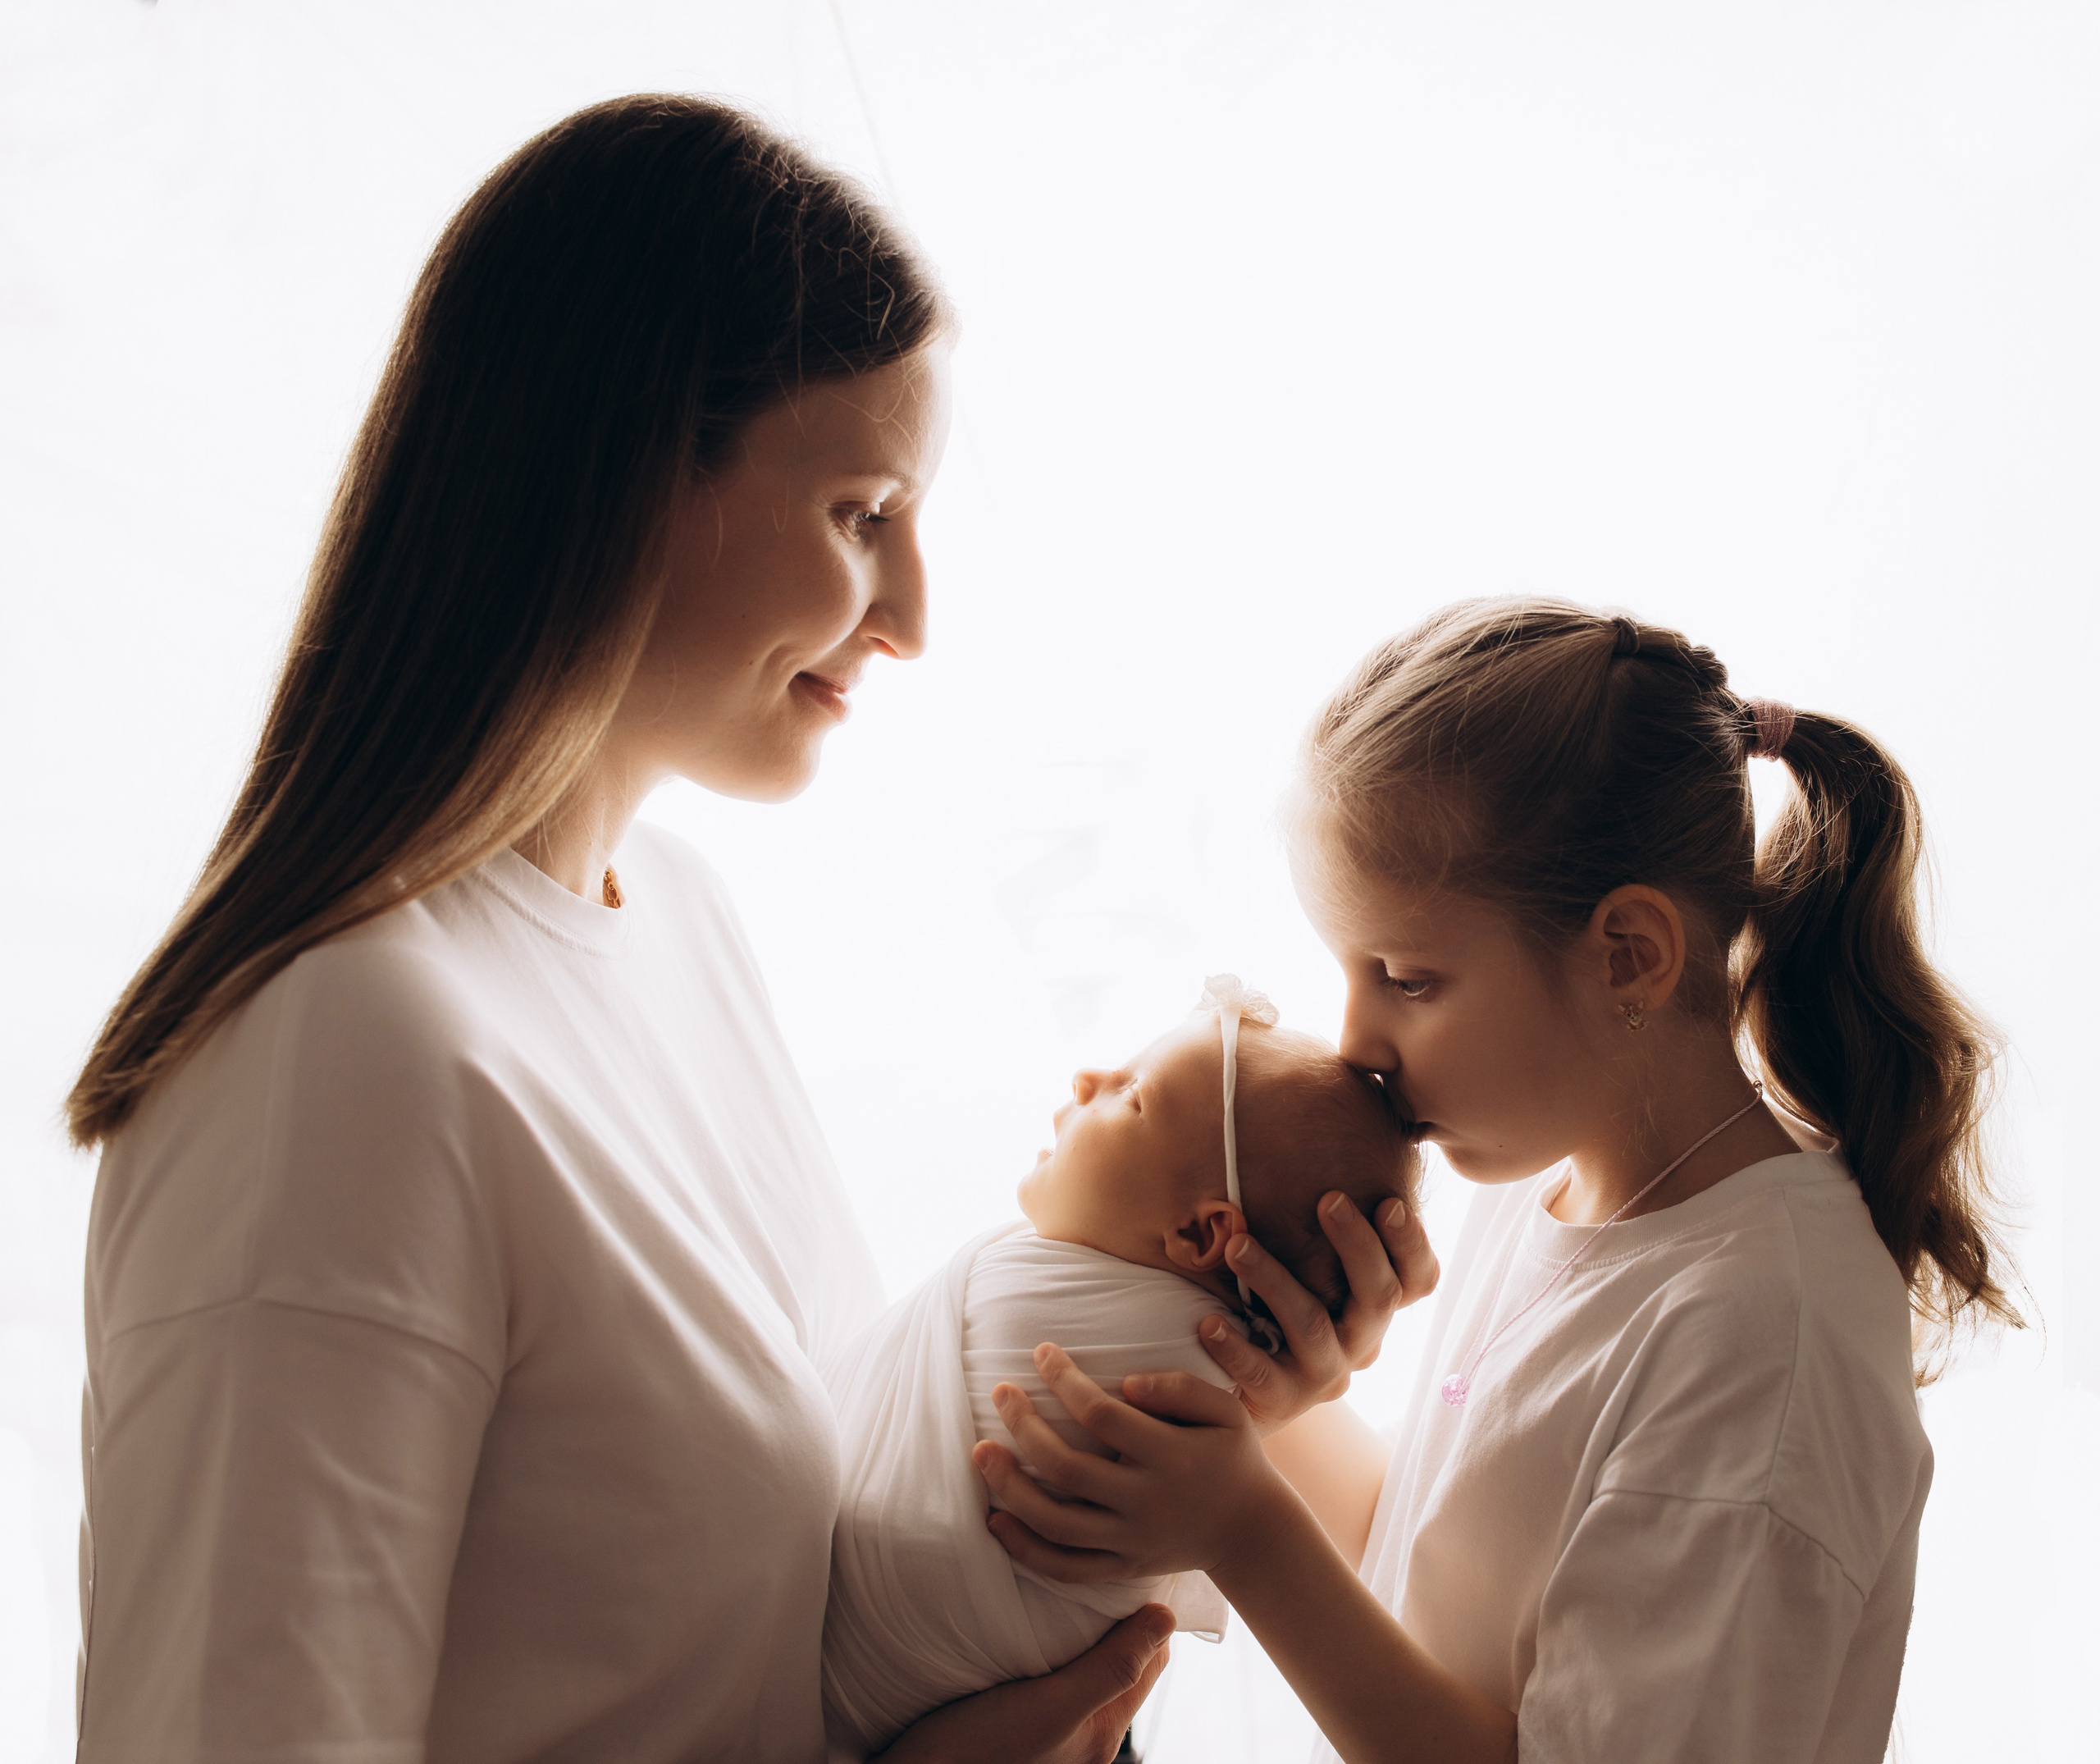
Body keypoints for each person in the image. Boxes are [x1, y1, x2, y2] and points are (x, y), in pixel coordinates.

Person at [66, 94, 1434, 1764]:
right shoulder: (337, 1057)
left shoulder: (671, 933)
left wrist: (1207, 1373)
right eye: (861, 511)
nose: (915, 615)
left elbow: (797, 1575)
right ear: (628, 471)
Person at [975, 600, 2021, 1762]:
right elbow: (1444, 1575)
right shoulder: (1554, 1182)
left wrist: (1243, 1531)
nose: (1356, 1039)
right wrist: (1278, 1408)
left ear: (1628, 952)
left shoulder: (1768, 1343)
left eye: (1408, 977)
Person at [823, 982, 1418, 1757]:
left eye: (1133, 1095)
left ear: (1202, 1232)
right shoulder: (1178, 1358)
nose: (1088, 1079)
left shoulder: (1131, 1359)